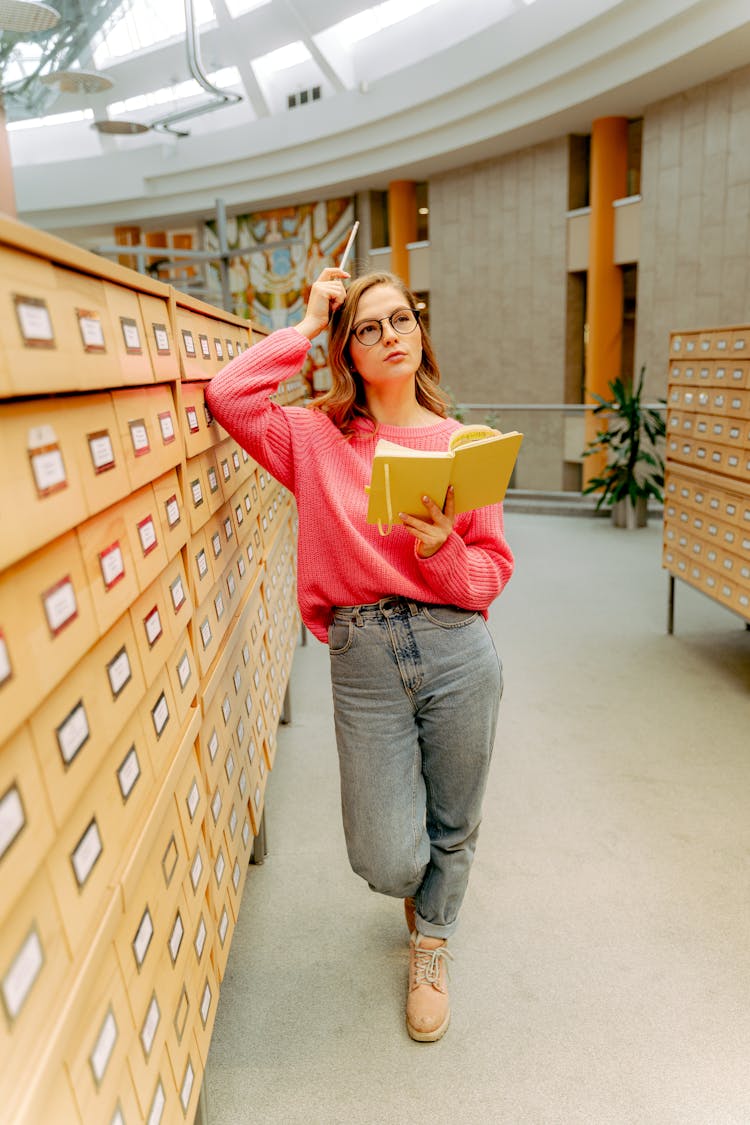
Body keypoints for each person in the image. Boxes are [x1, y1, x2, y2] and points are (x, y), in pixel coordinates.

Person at [205, 266, 514, 1043]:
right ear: (349, 352)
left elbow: (491, 573)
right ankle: (420, 893)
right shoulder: (315, 438)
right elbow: (229, 398)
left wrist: (443, 551)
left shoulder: (463, 446)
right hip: (362, 654)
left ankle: (433, 940)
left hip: (457, 647)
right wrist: (307, 321)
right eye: (367, 328)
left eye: (401, 320)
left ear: (421, 331)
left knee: (456, 815)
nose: (389, 337)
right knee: (385, 857)